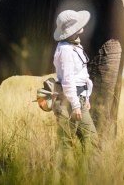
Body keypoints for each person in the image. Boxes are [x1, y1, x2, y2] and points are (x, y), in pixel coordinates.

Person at [52, 9, 98, 164]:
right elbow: (68, 80)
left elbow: (81, 76)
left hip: (77, 98)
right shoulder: (65, 49)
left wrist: (86, 97)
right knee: (68, 144)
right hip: (68, 101)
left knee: (88, 141)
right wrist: (76, 105)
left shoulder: (75, 45)